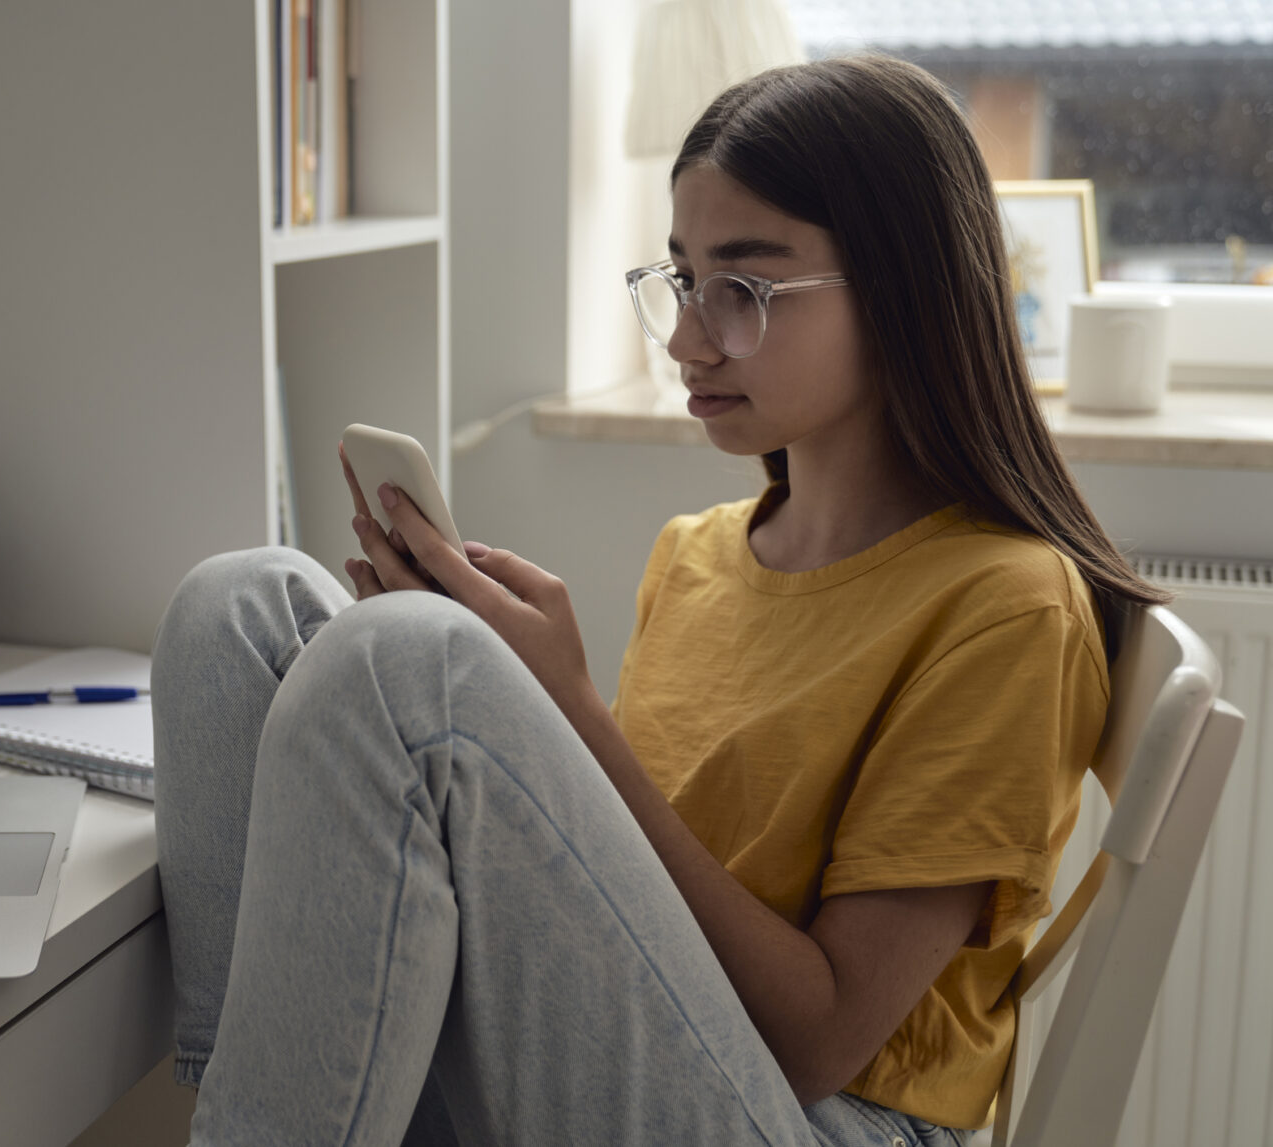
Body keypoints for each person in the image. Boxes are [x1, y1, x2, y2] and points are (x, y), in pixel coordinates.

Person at [151, 53, 1170, 1146]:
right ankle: (258, 1112)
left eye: (746, 288)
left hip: (816, 1116)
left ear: (903, 289)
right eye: (683, 281)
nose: (689, 337)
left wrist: (571, 717)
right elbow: (617, 909)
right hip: (655, 1069)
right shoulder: (697, 555)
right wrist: (533, 721)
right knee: (238, 608)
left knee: (408, 664)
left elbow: (813, 1039)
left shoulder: (1007, 606)